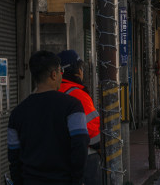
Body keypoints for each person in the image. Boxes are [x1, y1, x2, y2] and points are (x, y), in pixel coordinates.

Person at [8, 50, 88, 185]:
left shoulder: (17, 113)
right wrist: (76, 180)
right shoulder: (72, 106)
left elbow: (13, 156)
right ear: (54, 74)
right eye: (60, 72)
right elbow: (80, 145)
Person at [58, 50, 102, 185]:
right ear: (76, 71)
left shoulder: (52, 91)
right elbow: (92, 132)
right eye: (80, 67)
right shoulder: (79, 94)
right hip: (85, 156)